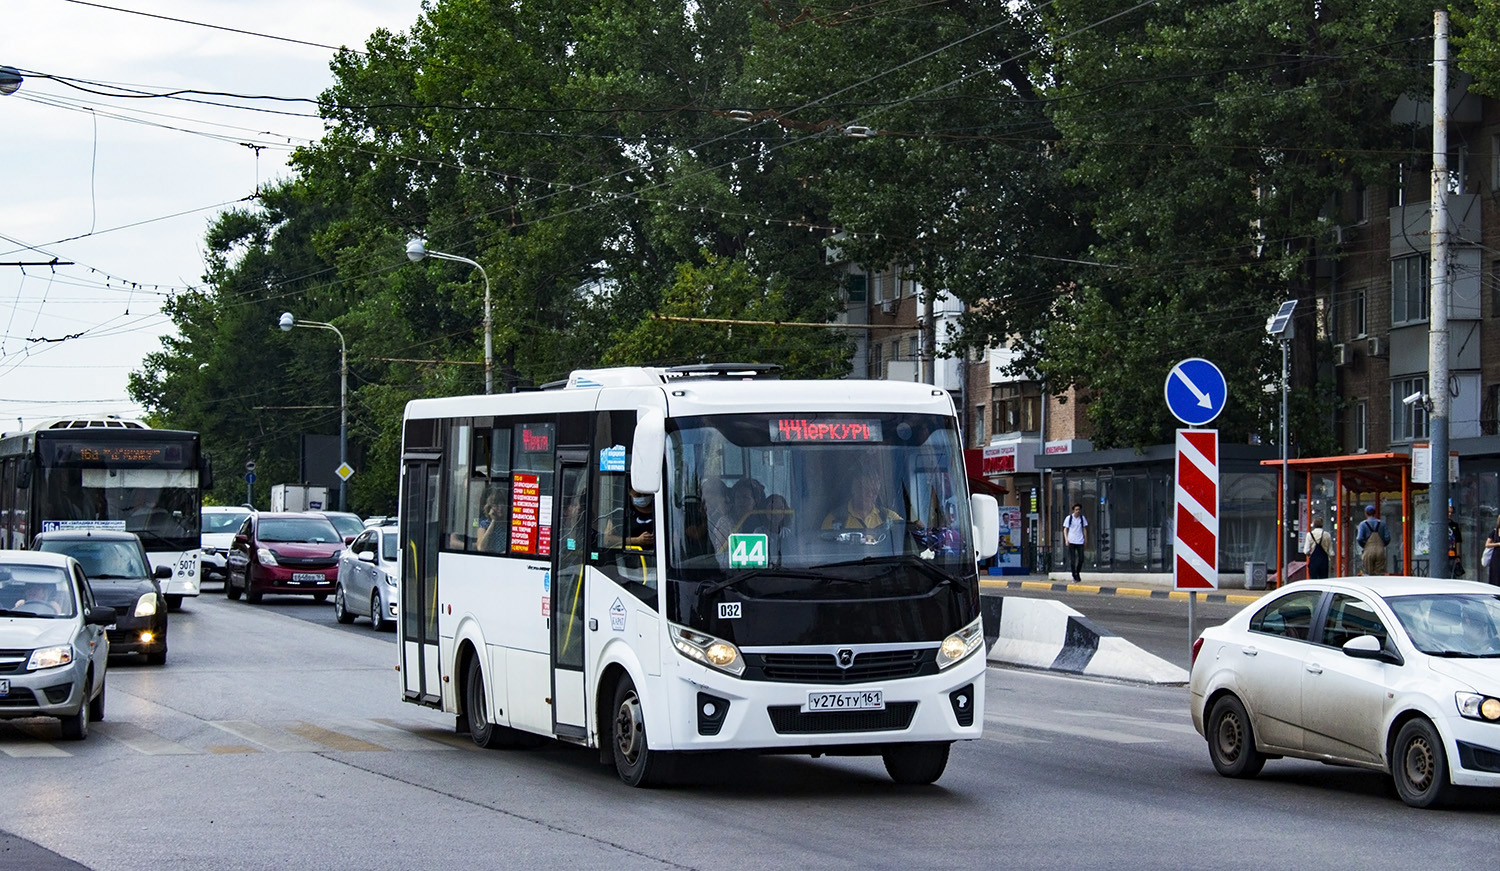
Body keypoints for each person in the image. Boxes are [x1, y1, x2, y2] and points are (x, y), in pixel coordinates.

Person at [823, 468, 902, 541]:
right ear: (854, 488)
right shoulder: (834, 520)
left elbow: (905, 537)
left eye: (874, 491)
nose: (870, 495)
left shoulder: (890, 517)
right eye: (866, 490)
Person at [1357, 504, 1390, 576]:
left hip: (1368, 550)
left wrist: (1364, 546)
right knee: (1380, 573)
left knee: (1368, 573)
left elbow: (1359, 538)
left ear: (1366, 513)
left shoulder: (1363, 524)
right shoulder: (1382, 524)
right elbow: (1387, 538)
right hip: (1380, 550)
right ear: (1375, 513)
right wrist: (1382, 545)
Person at [473, 489, 507, 553]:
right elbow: (481, 547)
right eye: (496, 505)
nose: (500, 508)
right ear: (490, 508)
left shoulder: (507, 525)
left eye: (502, 505)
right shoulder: (484, 524)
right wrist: (493, 521)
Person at [1062, 503, 1087, 582]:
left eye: (1079, 510)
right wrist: (1066, 539)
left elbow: (1084, 529)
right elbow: (1065, 529)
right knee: (1072, 560)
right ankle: (1074, 575)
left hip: (1080, 541)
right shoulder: (1069, 518)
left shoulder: (1082, 519)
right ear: (1073, 510)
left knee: (1081, 559)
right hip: (1071, 541)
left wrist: (1085, 539)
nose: (1077, 511)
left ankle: (1077, 572)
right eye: (1076, 510)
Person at [1448, 505, 1464, 578]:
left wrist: (1458, 555)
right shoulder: (1441, 525)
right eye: (1448, 512)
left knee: (1452, 574)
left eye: (1451, 512)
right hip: (1443, 553)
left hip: (1452, 553)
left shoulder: (1455, 525)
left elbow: (1458, 541)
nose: (1450, 514)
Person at [1484, 519, 1500, 586]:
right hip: (1496, 558)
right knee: (1495, 578)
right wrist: (1498, 544)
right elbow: (1487, 544)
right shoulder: (1495, 531)